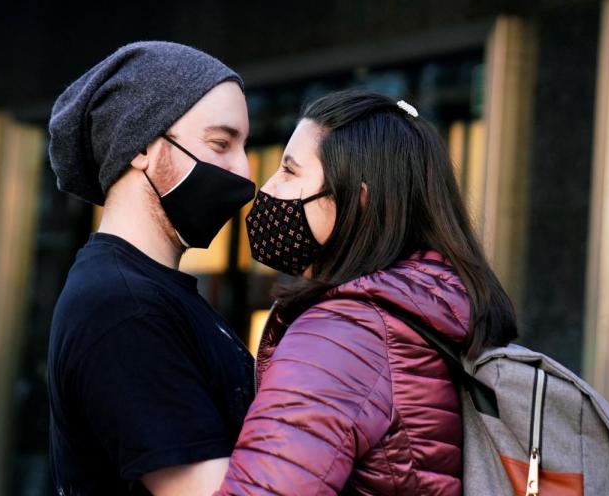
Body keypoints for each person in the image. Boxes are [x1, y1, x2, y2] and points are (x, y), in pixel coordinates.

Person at [213, 90, 518, 495]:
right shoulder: (426, 311)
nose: (268, 188)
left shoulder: (343, 336)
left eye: (289, 171)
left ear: (357, 200)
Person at [47, 41, 258, 496]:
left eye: (244, 147)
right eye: (221, 144)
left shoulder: (151, 293)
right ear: (142, 145)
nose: (244, 172)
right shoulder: (123, 306)